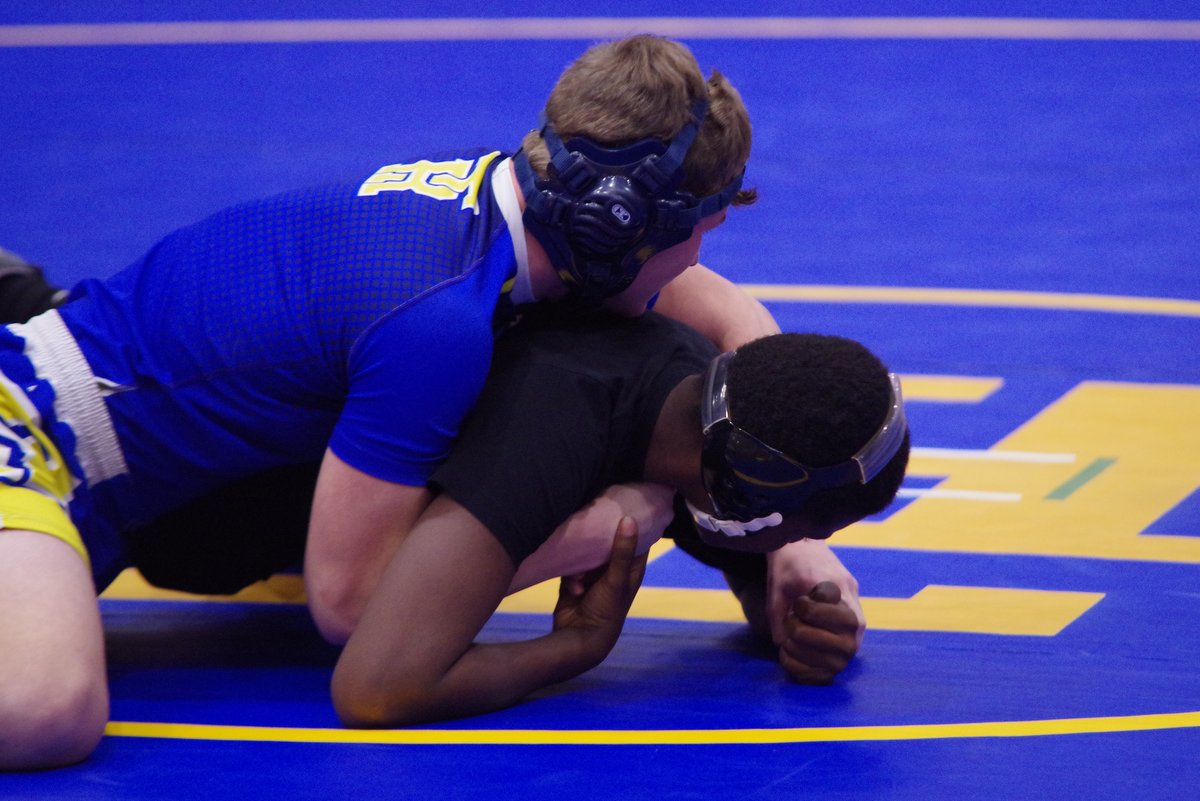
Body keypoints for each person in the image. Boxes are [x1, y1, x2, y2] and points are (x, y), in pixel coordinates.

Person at [0, 34, 773, 769]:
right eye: (701, 230)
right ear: (618, 223)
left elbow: (718, 307)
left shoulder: (498, 202)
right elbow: (350, 603)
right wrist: (595, 534)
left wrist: (786, 541)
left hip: (91, 450)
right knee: (47, 706)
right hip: (30, 424)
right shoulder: (437, 323)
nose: (697, 258)